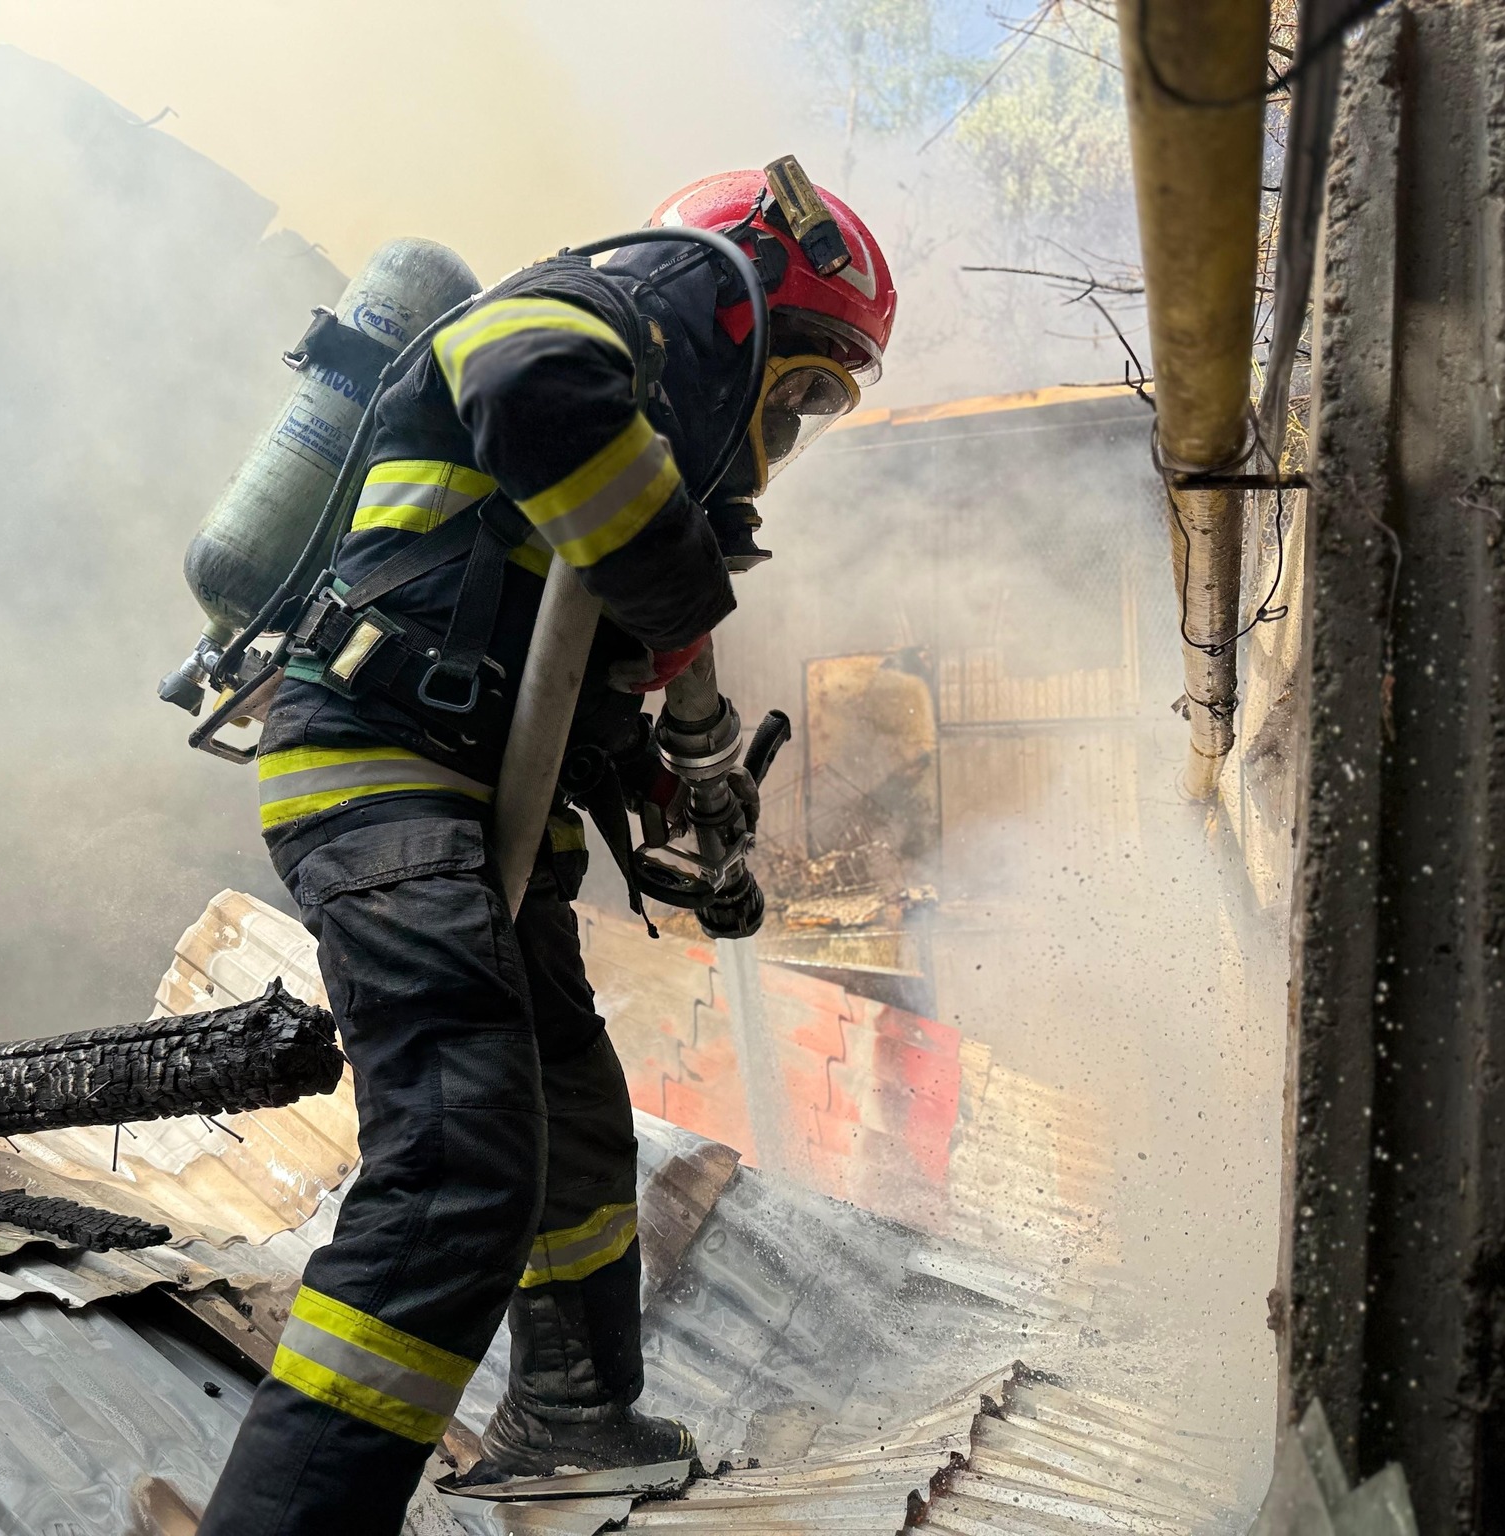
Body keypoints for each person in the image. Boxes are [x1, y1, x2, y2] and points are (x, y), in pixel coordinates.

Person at [199, 163, 897, 1536]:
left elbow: (557, 671)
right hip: (380, 781)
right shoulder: (602, 308)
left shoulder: (629, 437)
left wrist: (655, 774)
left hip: (466, 804)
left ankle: (573, 1416)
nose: (793, 429)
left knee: (569, 1105)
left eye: (825, 410)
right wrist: (685, 595)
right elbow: (522, 382)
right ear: (745, 308)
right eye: (801, 390)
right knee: (458, 1163)